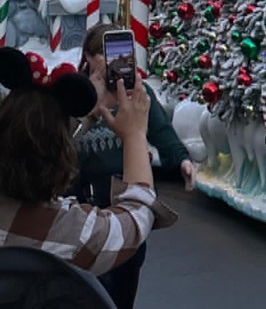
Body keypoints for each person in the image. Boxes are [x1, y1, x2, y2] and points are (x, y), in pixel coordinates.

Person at [0, 47, 175, 274]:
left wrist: (92, 113)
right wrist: (135, 135)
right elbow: (138, 214)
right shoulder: (74, 234)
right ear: (63, 156)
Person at [76, 24, 193, 309]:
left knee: (125, 275)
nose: (115, 60)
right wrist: (89, 106)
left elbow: (161, 131)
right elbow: (60, 140)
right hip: (82, 199)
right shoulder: (75, 92)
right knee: (87, 284)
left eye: (121, 52)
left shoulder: (138, 93)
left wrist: (182, 159)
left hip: (125, 193)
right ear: (89, 58)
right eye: (105, 53)